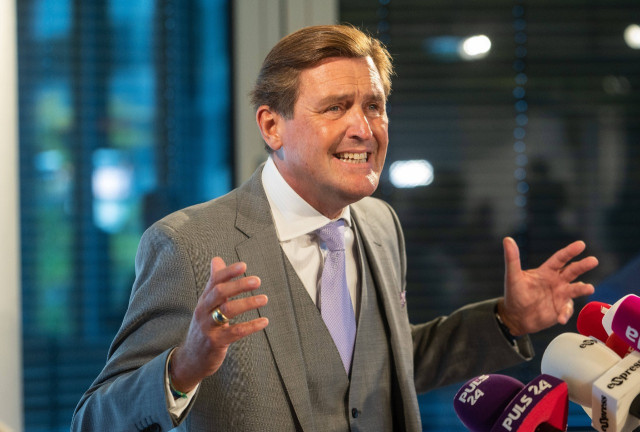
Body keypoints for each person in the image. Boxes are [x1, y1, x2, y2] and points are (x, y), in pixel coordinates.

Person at [71, 24, 598, 432]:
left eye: (374, 106)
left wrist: (507, 320)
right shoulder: (186, 244)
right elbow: (94, 419)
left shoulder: (380, 223)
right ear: (271, 126)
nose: (363, 129)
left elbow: (383, 368)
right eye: (336, 108)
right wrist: (183, 367)